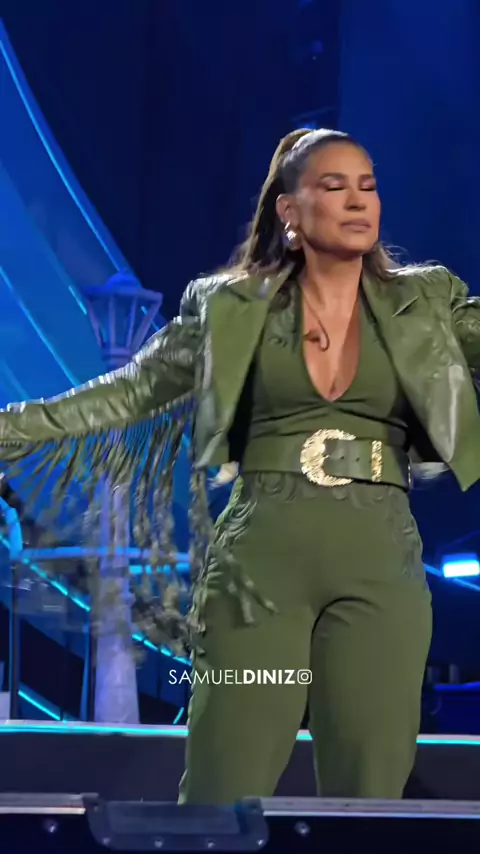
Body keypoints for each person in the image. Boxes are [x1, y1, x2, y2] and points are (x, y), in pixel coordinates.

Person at [0, 128, 480, 803]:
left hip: (381, 565)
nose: (358, 201)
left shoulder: (425, 300)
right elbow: (126, 394)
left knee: (370, 793)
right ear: (289, 210)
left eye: (368, 187)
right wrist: (7, 429)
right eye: (334, 186)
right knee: (224, 785)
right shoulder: (227, 307)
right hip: (260, 568)